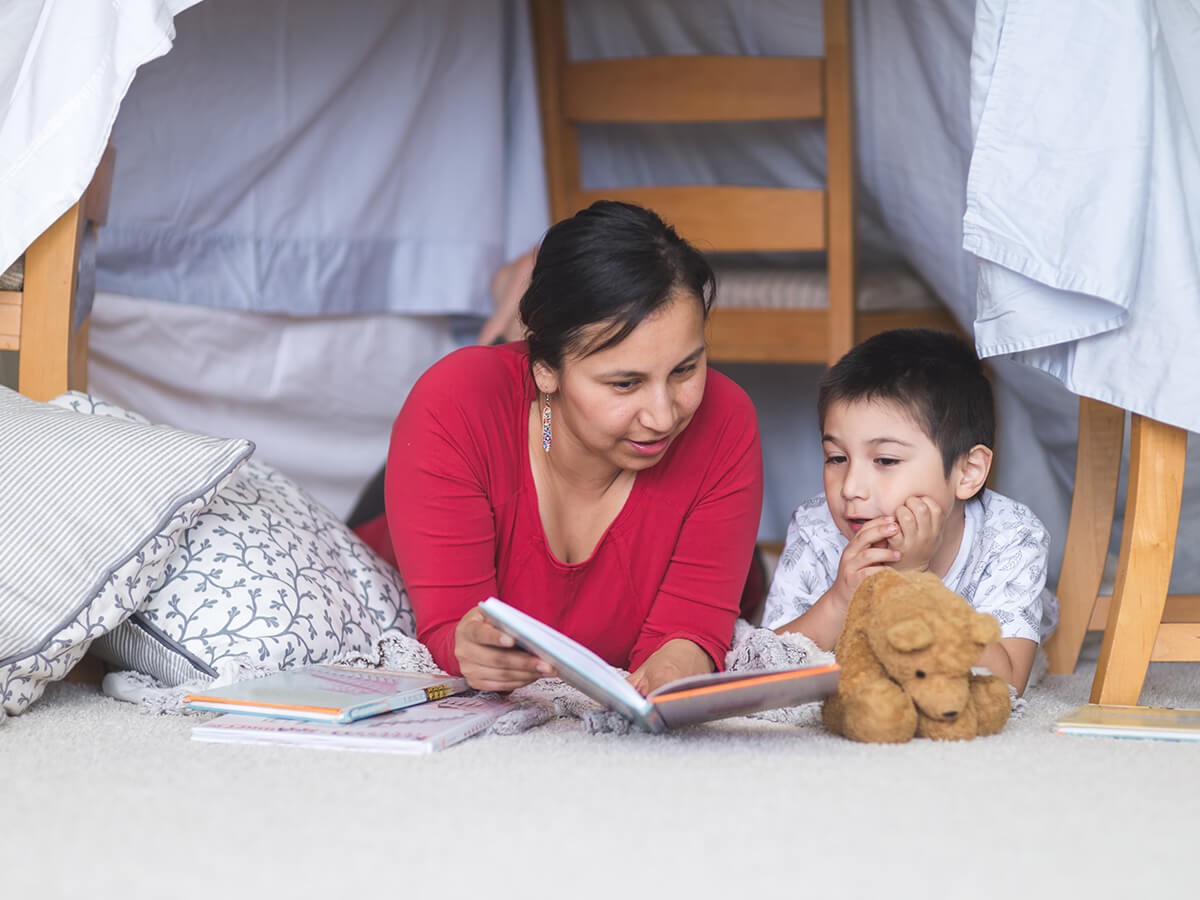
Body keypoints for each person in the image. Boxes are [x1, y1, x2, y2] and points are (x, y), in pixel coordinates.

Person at [356, 201, 764, 694]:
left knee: (750, 585)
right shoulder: (453, 406)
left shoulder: (722, 420)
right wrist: (471, 647)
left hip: (709, 538)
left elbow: (685, 638)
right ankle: (509, 318)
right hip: (413, 500)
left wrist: (667, 680)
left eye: (685, 369)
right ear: (544, 367)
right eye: (624, 383)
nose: (663, 415)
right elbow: (449, 628)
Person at [762, 328, 1057, 695]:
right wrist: (839, 600)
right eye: (836, 458)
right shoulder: (816, 527)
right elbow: (764, 671)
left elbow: (1006, 684)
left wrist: (912, 581)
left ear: (967, 473)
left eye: (886, 460)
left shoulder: (1011, 535)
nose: (851, 488)